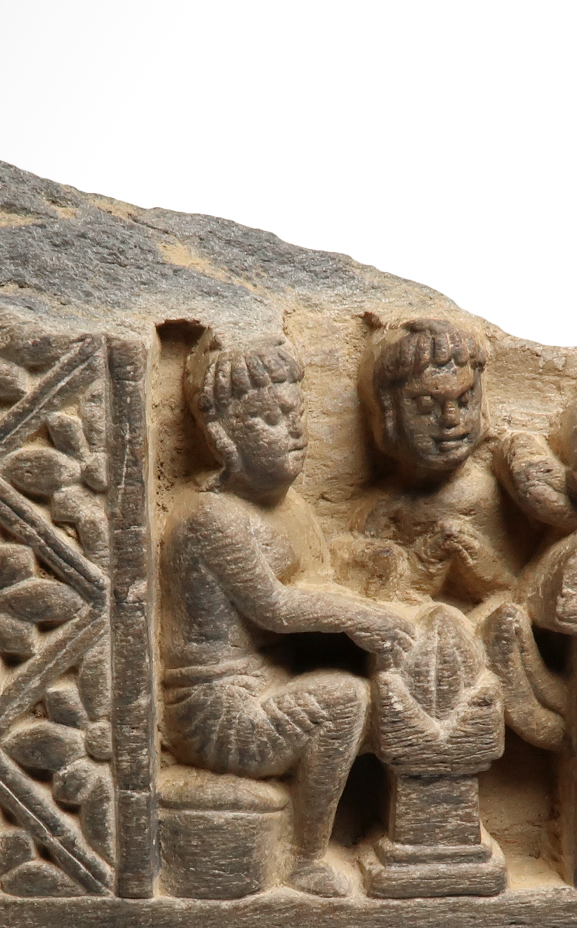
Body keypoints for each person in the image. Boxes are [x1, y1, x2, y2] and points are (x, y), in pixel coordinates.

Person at [160, 337, 414, 897]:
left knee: (394, 689)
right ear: (223, 437)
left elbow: (319, 583)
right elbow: (275, 606)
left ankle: (408, 831)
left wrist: (374, 581)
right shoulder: (213, 517)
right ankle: (304, 858)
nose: (293, 432)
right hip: (216, 708)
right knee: (345, 701)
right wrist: (359, 616)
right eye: (270, 419)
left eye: (295, 415)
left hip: (269, 684)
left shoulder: (290, 507)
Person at [343, 318, 530, 607]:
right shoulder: (381, 513)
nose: (450, 419)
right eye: (426, 405)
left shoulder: (506, 498)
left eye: (465, 400)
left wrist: (479, 563)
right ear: (390, 412)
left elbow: (525, 597)